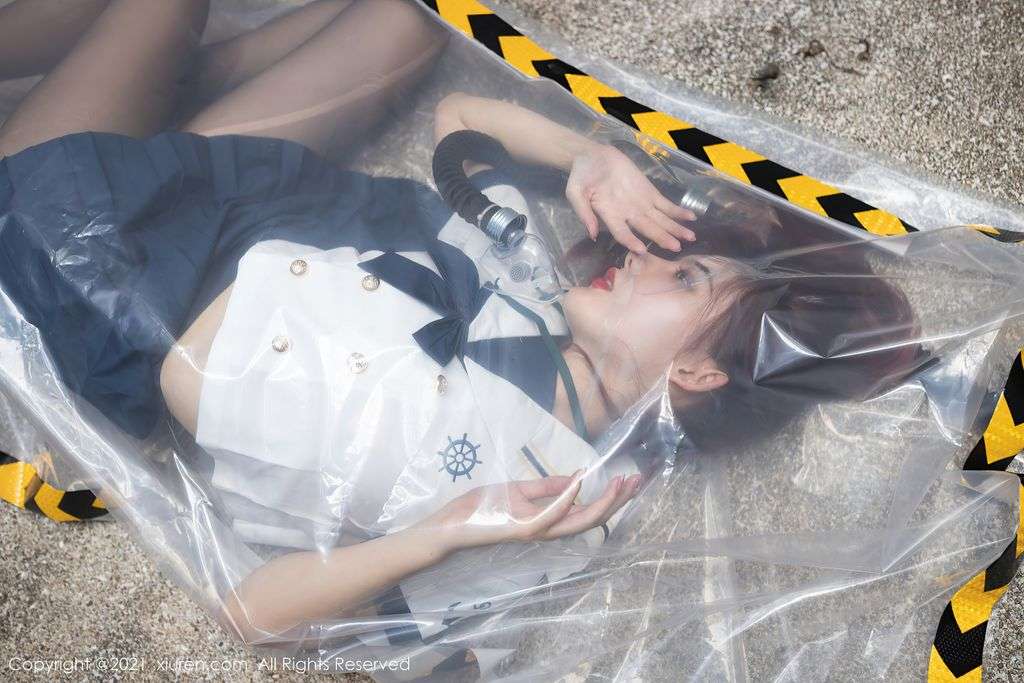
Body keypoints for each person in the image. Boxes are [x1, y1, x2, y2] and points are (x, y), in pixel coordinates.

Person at [0, 0, 925, 659]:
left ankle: (148, 82)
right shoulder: (536, 284)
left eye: (686, 277)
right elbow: (461, 117)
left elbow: (253, 615)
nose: (641, 257)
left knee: (153, 19)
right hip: (235, 198)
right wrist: (591, 156)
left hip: (101, 284)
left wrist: (443, 533)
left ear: (702, 373)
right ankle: (152, 86)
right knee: (408, 20)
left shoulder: (554, 509)